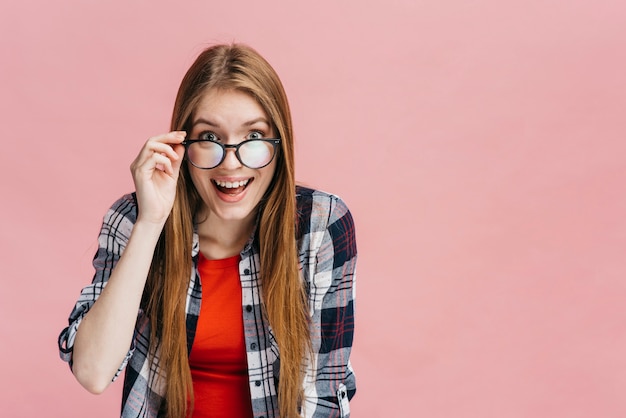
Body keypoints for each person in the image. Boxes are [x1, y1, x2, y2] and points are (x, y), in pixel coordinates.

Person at [57, 43, 357, 418]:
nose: (231, 164)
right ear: (181, 145)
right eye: (210, 139)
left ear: (279, 145)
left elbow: (324, 396)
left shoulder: (321, 224)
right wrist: (151, 223)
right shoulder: (134, 219)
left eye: (254, 137)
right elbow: (93, 372)